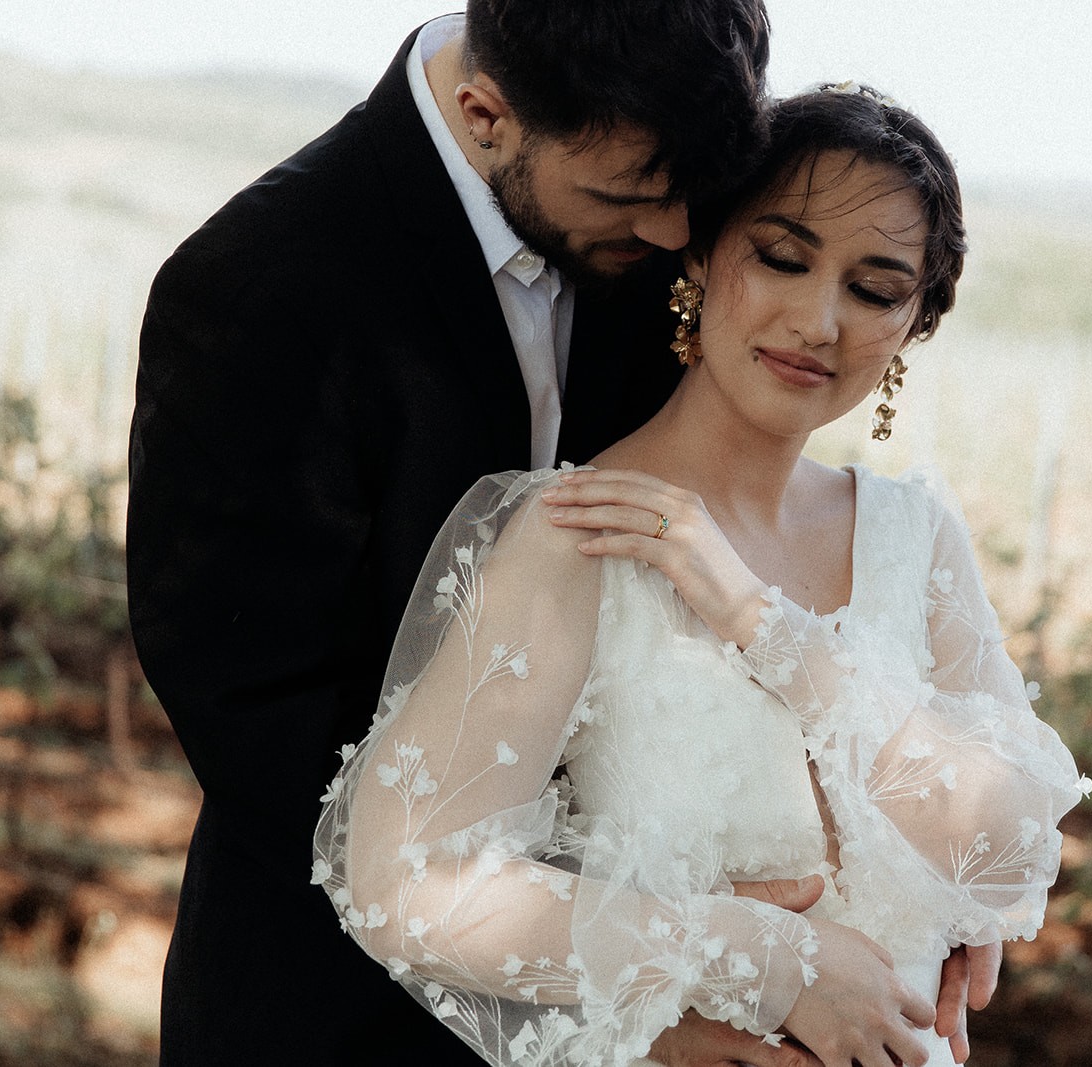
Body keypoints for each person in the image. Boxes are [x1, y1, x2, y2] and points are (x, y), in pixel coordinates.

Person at [313, 84, 1091, 1067]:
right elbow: (406, 880)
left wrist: (763, 621)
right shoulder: (580, 532)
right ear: (702, 251)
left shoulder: (914, 536)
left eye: (875, 287)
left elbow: (1014, 854)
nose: (818, 320)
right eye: (781, 256)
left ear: (911, 327)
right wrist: (760, 959)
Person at [127, 2, 801, 1064]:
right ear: (485, 114)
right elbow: (255, 699)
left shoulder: (660, 190)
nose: (678, 239)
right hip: (341, 1006)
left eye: (690, 199)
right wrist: (589, 953)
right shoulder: (259, 282)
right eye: (630, 197)